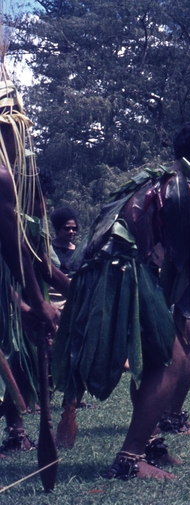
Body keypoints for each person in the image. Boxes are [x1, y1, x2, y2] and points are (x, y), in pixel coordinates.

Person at [53, 122, 190, 478]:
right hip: (128, 277)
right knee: (170, 361)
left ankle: (150, 445)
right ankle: (129, 460)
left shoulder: (152, 182)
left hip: (115, 275)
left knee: (178, 355)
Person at [0, 78, 69, 457]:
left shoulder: (18, 186)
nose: (21, 143)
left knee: (18, 351)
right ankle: (15, 427)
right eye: (18, 132)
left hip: (11, 293)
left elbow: (36, 257)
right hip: (12, 294)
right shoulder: (2, 179)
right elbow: (15, 249)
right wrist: (29, 302)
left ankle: (15, 428)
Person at [49, 207, 78, 273]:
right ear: (58, 229)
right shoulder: (49, 248)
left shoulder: (77, 251)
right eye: (67, 228)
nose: (71, 231)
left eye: (74, 229)